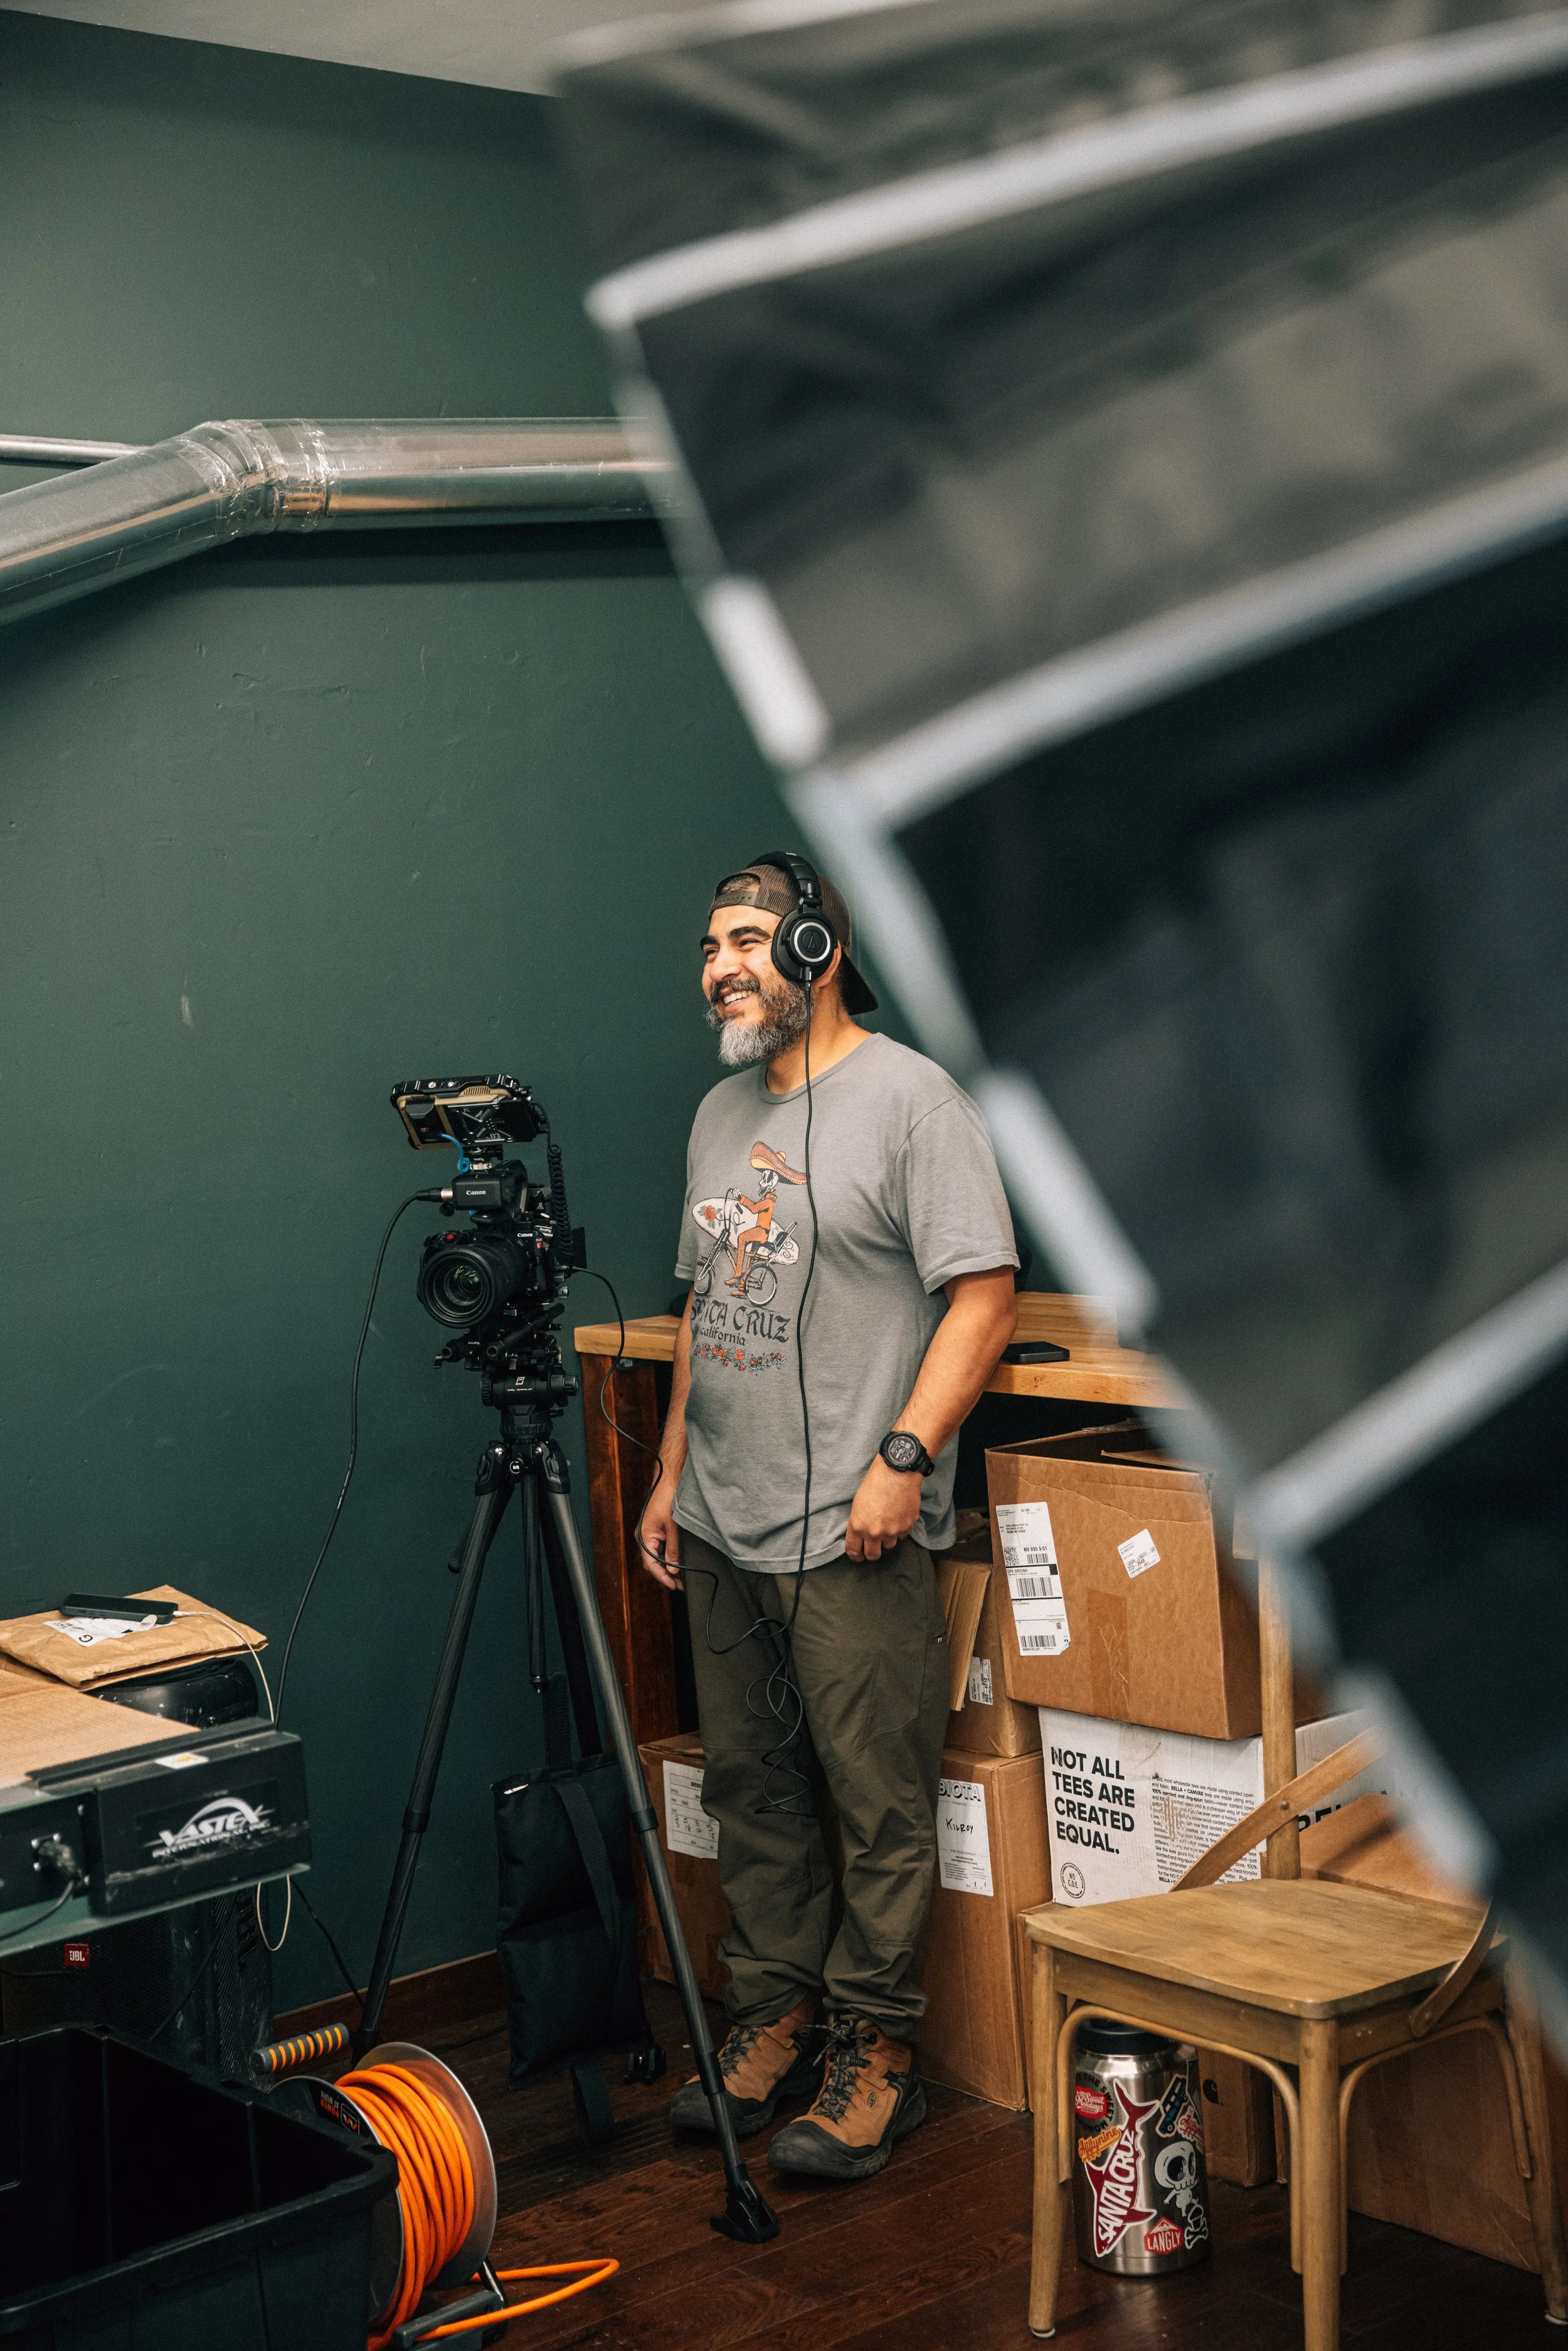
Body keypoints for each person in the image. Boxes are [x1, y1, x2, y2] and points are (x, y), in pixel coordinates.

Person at [642, 854, 1018, 2182]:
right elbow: (701, 1306)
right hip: (725, 1519)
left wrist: (902, 1457)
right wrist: (666, 1474)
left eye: (747, 937)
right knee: (752, 1786)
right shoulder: (713, 1113)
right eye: (708, 944)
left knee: (873, 1800)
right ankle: (774, 2011)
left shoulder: (915, 1103)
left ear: (819, 945)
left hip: (851, 1523)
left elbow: (981, 1294)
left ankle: (876, 2052)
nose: (720, 966)